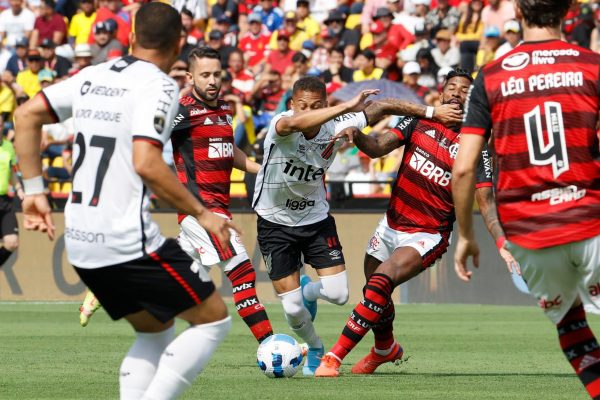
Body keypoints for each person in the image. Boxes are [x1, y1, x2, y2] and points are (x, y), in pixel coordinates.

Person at [14, 4, 235, 399]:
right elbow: (146, 162)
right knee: (213, 320)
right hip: (126, 240)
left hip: (79, 241)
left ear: (131, 37)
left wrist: (34, 191)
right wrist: (204, 213)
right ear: (179, 44)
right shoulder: (162, 86)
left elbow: (26, 114)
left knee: (156, 329)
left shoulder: (92, 74)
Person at [252, 76, 462, 376]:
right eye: (302, 106)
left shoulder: (336, 123)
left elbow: (386, 105)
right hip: (274, 221)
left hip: (315, 219)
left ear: (325, 104)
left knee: (339, 295)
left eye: (316, 106)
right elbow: (298, 124)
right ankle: (314, 346)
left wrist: (430, 113)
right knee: (293, 310)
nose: (308, 111)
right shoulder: (282, 124)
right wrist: (346, 108)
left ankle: (309, 291)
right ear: (291, 106)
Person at [314, 69, 506, 377]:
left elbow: (486, 200)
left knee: (380, 282)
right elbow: (378, 149)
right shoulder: (419, 121)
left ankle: (334, 357)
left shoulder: (476, 143)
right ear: (441, 95)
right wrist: (358, 135)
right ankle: (385, 348)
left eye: (465, 90)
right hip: (391, 225)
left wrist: (500, 240)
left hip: (427, 235)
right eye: (451, 87)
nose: (457, 92)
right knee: (375, 293)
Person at [452, 1, 600, 399]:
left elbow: (464, 168)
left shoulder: (491, 76)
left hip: (531, 232)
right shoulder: (592, 65)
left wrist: (466, 235)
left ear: (517, 11)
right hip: (590, 218)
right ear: (569, 9)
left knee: (571, 325)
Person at [170, 46, 274, 344]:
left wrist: (263, 169)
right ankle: (270, 346)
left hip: (217, 207)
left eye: (217, 74)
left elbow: (230, 152)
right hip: (200, 210)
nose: (213, 80)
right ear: (190, 77)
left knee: (171, 279)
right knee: (241, 270)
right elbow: (150, 140)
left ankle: (112, 288)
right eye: (205, 75)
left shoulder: (225, 109)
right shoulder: (182, 110)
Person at [0, 133, 22, 269]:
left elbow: (12, 172)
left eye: (0, 125)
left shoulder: (8, 146)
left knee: (12, 242)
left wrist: (19, 189)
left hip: (4, 200)